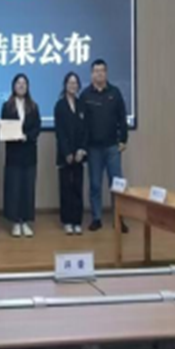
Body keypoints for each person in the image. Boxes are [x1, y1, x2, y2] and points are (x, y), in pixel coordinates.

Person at [80, 59, 129, 233]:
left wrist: (123, 140)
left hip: (112, 147)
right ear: (92, 74)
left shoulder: (115, 93)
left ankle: (119, 219)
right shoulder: (85, 95)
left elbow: (122, 117)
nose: (99, 74)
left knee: (117, 185)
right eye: (96, 71)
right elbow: (82, 124)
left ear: (106, 73)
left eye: (102, 71)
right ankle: (96, 218)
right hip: (93, 148)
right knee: (95, 184)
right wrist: (83, 146)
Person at [1, 74, 41, 238]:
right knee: (14, 187)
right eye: (18, 83)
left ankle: (25, 221)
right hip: (14, 153)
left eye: (24, 83)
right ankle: (15, 222)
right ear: (13, 86)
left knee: (28, 187)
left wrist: (27, 136)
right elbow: (4, 128)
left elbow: (37, 127)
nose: (21, 86)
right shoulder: (7, 106)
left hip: (29, 152)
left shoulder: (33, 106)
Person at [54, 72, 88, 236]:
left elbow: (86, 130)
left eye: (75, 83)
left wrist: (81, 149)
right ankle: (67, 221)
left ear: (78, 86)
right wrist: (67, 152)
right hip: (65, 155)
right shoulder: (60, 105)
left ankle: (77, 221)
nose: (73, 86)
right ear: (65, 85)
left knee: (77, 188)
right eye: (70, 83)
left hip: (80, 154)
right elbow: (59, 132)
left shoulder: (82, 105)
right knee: (66, 188)